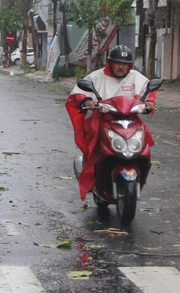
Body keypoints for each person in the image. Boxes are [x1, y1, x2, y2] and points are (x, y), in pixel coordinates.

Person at [65, 45, 156, 199]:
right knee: (94, 141)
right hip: (102, 120)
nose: (121, 67)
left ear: (129, 65)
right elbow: (79, 93)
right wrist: (86, 101)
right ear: (110, 63)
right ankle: (92, 173)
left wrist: (149, 102)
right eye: (117, 63)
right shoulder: (97, 77)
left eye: (124, 64)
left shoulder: (135, 77)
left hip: (130, 120)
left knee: (144, 141)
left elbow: (148, 91)